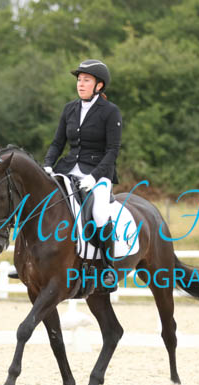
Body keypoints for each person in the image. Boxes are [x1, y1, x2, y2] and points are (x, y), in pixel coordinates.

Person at [44, 59, 123, 288]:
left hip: (98, 173)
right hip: (67, 169)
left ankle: (108, 268)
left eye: (86, 80)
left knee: (99, 213)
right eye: (79, 80)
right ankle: (29, 258)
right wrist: (47, 165)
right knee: (40, 202)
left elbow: (112, 151)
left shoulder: (110, 112)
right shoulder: (69, 108)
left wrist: (95, 177)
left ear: (99, 85)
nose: (80, 84)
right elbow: (57, 143)